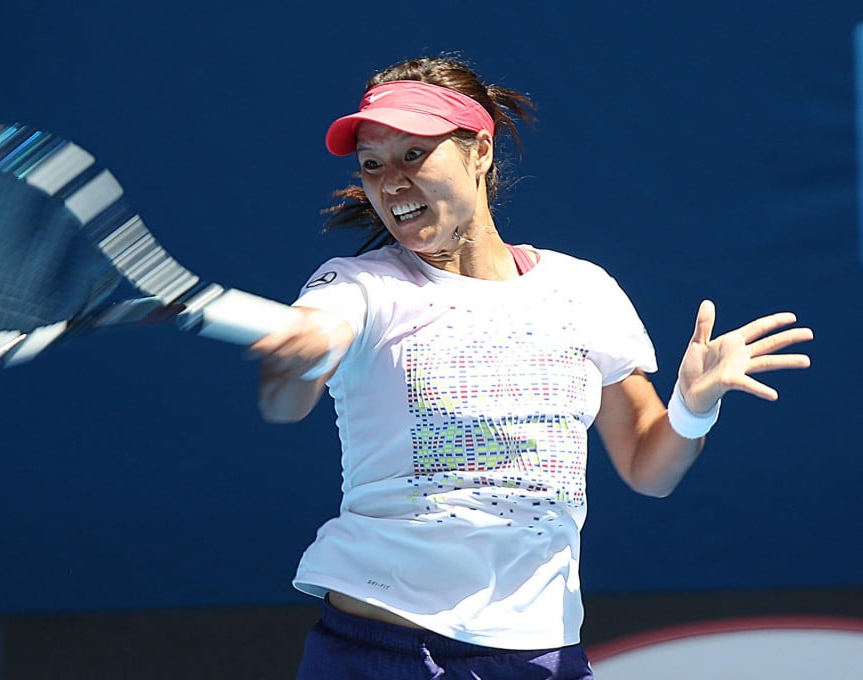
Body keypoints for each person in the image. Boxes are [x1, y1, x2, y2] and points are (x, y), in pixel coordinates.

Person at [248, 55, 813, 680]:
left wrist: (692, 406)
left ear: (480, 151)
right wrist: (295, 363)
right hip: (383, 649)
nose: (392, 183)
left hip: (541, 654)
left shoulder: (583, 289)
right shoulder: (357, 287)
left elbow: (649, 466)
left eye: (414, 155)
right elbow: (291, 393)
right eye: (374, 165)